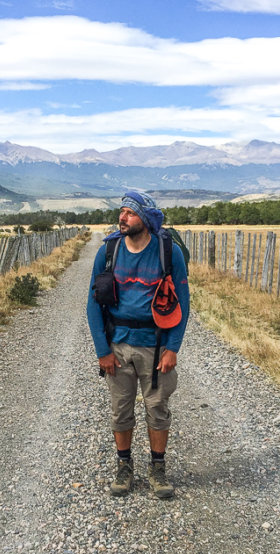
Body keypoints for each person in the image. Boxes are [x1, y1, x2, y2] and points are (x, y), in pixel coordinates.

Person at [86, 192, 190, 498]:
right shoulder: (108, 251)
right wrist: (102, 350)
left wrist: (173, 347)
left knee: (158, 408)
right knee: (121, 410)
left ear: (145, 219)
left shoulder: (168, 252)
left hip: (156, 346)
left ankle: (158, 469)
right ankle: (124, 466)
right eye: (121, 212)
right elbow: (93, 306)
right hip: (117, 346)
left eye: (129, 213)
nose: (122, 218)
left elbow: (183, 302)